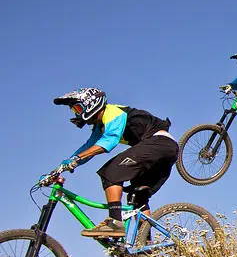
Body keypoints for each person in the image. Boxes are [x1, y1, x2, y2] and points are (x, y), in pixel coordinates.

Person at [47, 88, 179, 238]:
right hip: (164, 151)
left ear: (91, 103)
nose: (77, 114)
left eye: (77, 108)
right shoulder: (100, 126)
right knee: (137, 197)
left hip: (159, 144)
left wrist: (76, 159)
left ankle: (115, 223)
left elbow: (109, 141)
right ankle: (146, 243)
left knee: (110, 172)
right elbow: (89, 148)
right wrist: (59, 169)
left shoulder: (112, 112)